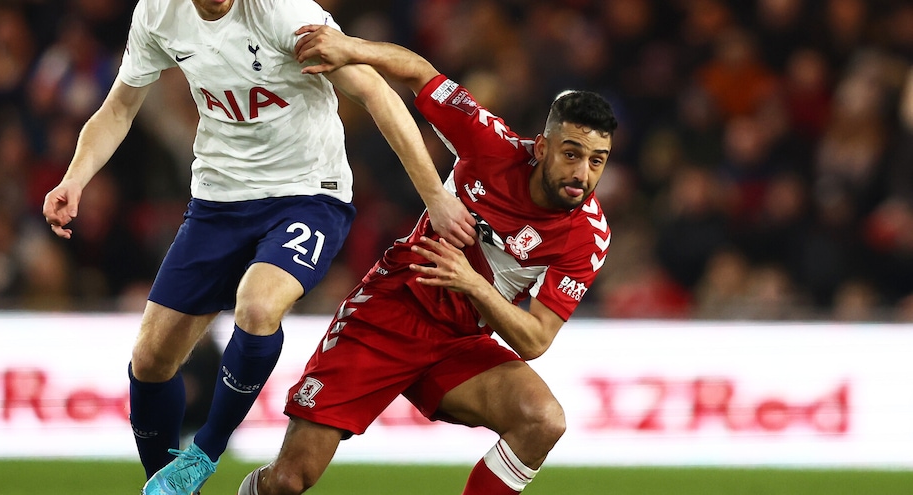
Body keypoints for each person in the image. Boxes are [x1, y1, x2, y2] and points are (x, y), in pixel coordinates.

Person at [41, 0, 476, 494]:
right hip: (219, 199)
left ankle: (206, 448)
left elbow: (376, 91)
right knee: (150, 360)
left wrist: (436, 197)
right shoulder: (158, 13)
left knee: (258, 304)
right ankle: (166, 485)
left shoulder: (283, 13)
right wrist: (74, 179)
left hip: (309, 194)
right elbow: (119, 106)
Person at [238, 25, 618, 495]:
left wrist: (473, 284)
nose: (582, 174)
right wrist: (349, 48)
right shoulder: (490, 144)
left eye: (596, 161)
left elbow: (535, 338)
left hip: (459, 342)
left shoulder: (587, 236)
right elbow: (420, 73)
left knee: (543, 420)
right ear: (542, 148)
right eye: (571, 154)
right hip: (391, 312)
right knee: (288, 481)